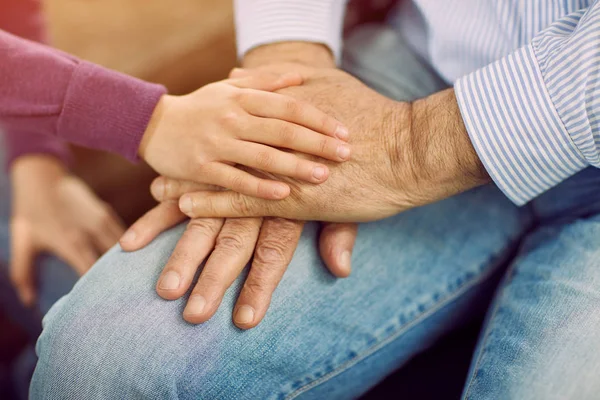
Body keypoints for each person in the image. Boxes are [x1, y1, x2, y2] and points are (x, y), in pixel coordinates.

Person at [31, 0, 600, 399]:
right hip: (423, 68)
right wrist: (290, 62)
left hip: (455, 123)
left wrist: (415, 149)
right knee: (103, 356)